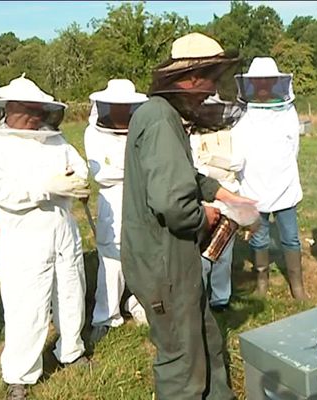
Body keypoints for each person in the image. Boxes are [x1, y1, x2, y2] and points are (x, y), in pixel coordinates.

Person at [121, 33, 254, 399]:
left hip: (172, 259)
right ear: (190, 77)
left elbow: (183, 176)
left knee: (206, 341)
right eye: (210, 77)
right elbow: (173, 205)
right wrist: (207, 216)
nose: (212, 88)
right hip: (163, 262)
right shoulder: (161, 121)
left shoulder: (161, 116)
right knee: (183, 363)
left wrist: (223, 193)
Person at [0, 74, 90, 400]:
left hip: (64, 228)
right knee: (26, 304)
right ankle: (20, 375)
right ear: (8, 108)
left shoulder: (56, 140)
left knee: (71, 291)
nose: (36, 116)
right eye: (29, 109)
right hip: (23, 236)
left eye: (39, 109)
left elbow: (79, 168)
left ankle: (72, 350)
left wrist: (75, 182)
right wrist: (44, 187)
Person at [231, 57, 308, 299]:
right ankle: (261, 282)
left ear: (275, 82)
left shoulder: (287, 110)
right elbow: (238, 150)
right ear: (251, 83)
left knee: (291, 238)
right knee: (259, 237)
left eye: (267, 80)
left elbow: (293, 147)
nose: (262, 84)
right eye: (258, 80)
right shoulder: (242, 112)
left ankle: (297, 286)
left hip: (284, 184)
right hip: (253, 185)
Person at [84, 79, 149, 344]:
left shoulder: (142, 128)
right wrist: (132, 169)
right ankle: (106, 316)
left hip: (142, 198)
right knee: (111, 261)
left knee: (144, 254)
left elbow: (149, 164)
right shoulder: (94, 133)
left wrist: (129, 169)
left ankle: (140, 305)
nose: (122, 111)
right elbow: (103, 173)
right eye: (117, 106)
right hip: (112, 201)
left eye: (127, 106)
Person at [190, 95, 244, 311]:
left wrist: (211, 160)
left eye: (216, 109)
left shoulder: (232, 132)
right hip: (205, 197)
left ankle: (221, 298)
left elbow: (239, 162)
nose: (212, 114)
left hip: (231, 194)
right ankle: (200, 297)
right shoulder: (193, 135)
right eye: (207, 110)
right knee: (203, 251)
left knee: (225, 251)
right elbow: (196, 167)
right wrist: (222, 166)